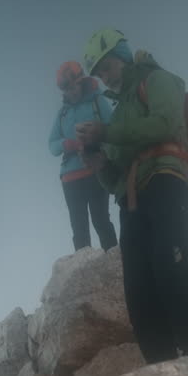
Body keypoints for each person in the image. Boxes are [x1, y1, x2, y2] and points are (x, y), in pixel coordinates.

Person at [74, 28, 188, 363]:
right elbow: (119, 180)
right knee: (139, 289)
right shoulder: (119, 109)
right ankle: (160, 372)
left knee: (175, 270)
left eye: (107, 67)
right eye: (99, 73)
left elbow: (165, 123)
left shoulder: (158, 80)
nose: (105, 77)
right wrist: (99, 164)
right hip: (132, 201)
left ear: (122, 57)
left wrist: (106, 132)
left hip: (167, 181)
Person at [48, 60, 118, 252]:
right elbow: (52, 145)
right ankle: (83, 272)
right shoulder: (62, 114)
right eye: (67, 90)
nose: (72, 92)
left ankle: (117, 264)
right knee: (79, 229)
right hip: (70, 177)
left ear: (82, 82)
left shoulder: (97, 102)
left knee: (101, 221)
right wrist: (66, 144)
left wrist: (97, 142)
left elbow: (114, 130)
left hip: (95, 170)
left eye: (74, 86)